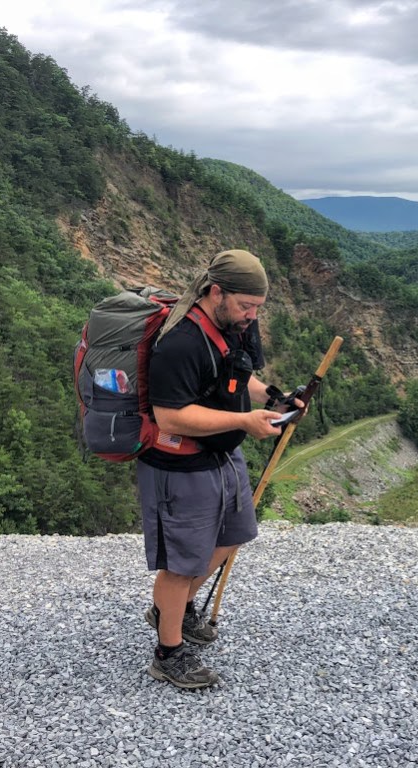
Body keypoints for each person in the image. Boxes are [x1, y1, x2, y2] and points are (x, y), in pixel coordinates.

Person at [137, 249, 301, 689]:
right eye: (246, 306)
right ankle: (168, 653)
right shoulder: (181, 342)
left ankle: (170, 611)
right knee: (181, 563)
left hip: (221, 454)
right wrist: (244, 422)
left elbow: (235, 373)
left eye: (257, 308)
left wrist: (272, 398)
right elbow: (170, 416)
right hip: (179, 464)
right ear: (216, 293)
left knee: (233, 535)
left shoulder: (232, 326)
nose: (251, 316)